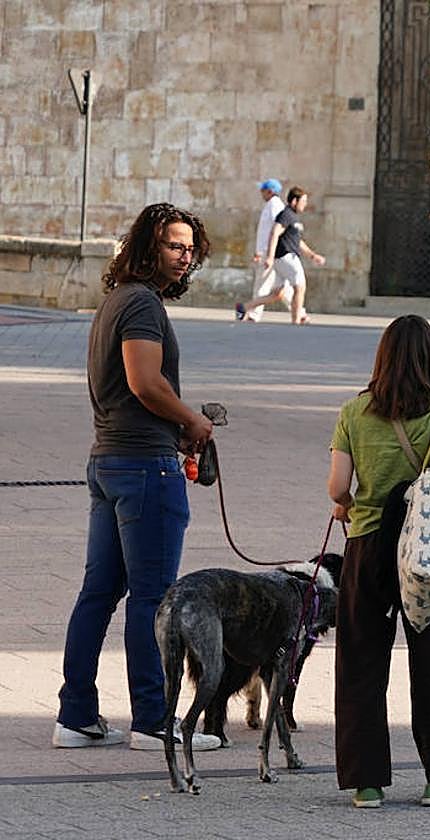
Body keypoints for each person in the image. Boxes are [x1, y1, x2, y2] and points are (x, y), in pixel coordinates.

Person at [53, 203, 222, 753]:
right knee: (152, 599)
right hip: (143, 466)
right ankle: (152, 721)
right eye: (175, 245)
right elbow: (146, 383)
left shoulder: (116, 302)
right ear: (148, 247)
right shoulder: (142, 304)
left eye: (190, 247)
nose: (185, 256)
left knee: (98, 593)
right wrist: (192, 419)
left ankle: (76, 716)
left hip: (110, 460)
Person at [327, 314, 430, 809]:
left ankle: (367, 783)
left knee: (361, 663)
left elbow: (337, 486)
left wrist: (344, 505)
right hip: (426, 548)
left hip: (369, 544)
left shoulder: (354, 412)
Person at [236, 186, 325, 325]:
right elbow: (275, 232)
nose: (305, 204)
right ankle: (296, 321)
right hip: (286, 256)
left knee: (277, 294)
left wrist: (312, 255)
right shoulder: (286, 214)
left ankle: (244, 307)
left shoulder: (293, 218)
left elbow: (298, 241)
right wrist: (270, 257)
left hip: (284, 257)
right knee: (299, 287)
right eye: (303, 201)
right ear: (294, 201)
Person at [245, 178, 288, 323]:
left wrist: (267, 253)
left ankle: (254, 314)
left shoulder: (275, 205)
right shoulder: (271, 205)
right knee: (281, 287)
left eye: (263, 190)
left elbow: (277, 229)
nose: (261, 193)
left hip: (269, 252)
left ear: (270, 191)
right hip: (267, 252)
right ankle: (299, 312)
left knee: (262, 284)